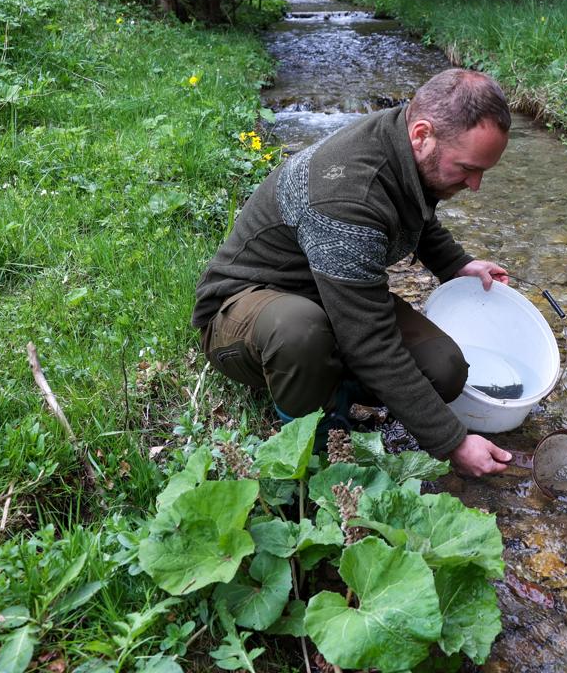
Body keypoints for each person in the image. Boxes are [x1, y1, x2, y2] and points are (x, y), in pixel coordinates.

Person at [191, 68, 514, 477]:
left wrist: (456, 264)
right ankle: (309, 445)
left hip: (328, 293)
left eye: (484, 170)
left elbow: (416, 207)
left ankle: (331, 386)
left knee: (445, 369)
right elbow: (369, 340)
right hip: (242, 310)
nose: (476, 184)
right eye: (468, 168)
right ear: (422, 134)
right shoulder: (348, 196)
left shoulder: (401, 144)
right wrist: (453, 443)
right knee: (301, 332)